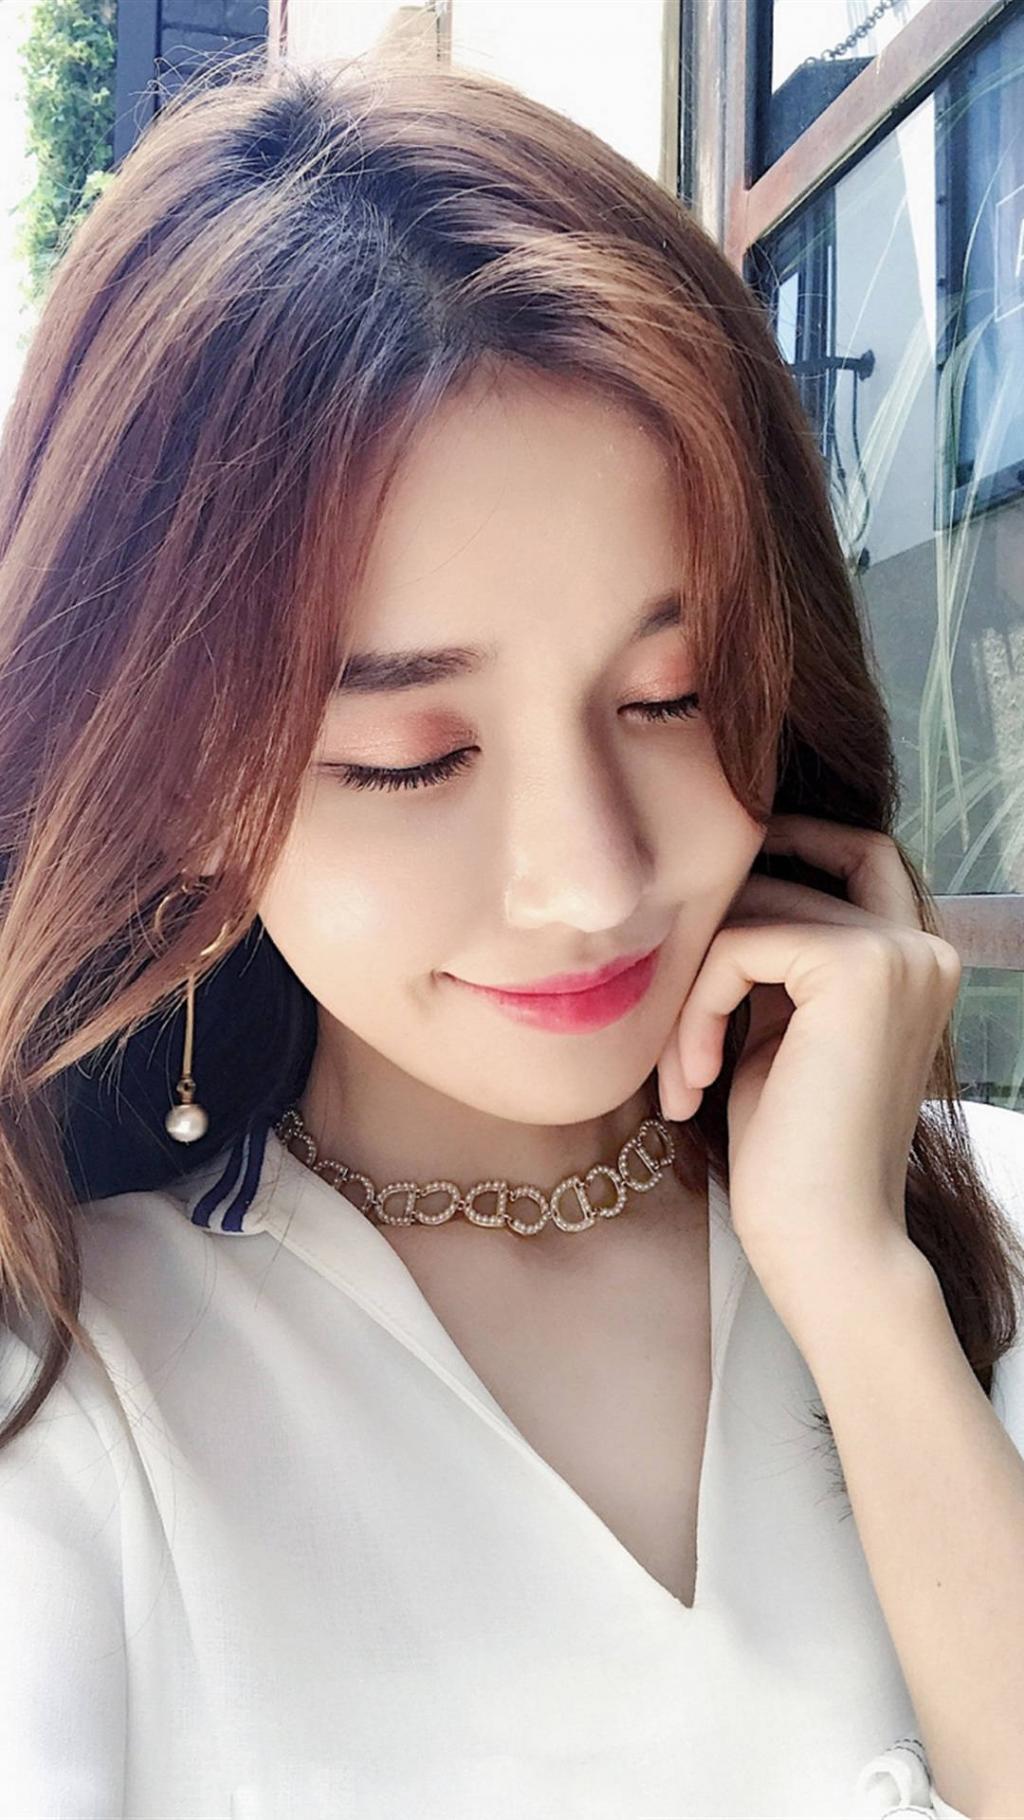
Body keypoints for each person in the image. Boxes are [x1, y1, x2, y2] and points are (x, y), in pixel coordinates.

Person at [0, 46, 1022, 1820]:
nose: (592, 879)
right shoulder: (72, 1398)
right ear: (173, 787)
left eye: (673, 693)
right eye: (411, 755)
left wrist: (867, 1299)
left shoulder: (980, 1220)